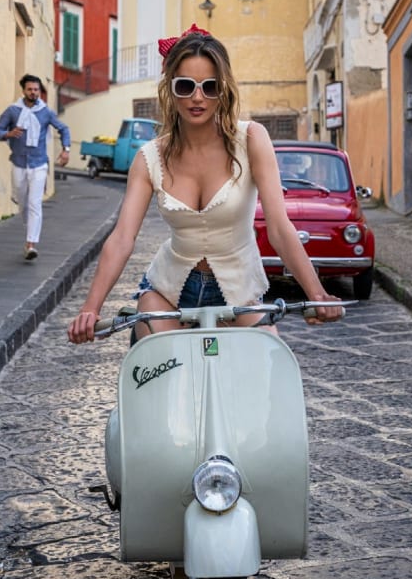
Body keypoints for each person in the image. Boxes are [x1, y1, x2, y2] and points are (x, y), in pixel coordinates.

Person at [68, 27, 344, 343]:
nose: (197, 97)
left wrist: (317, 293)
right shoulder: (149, 158)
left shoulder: (251, 140)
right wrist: (91, 308)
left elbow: (280, 228)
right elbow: (122, 237)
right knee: (157, 369)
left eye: (209, 87)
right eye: (185, 86)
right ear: (170, 89)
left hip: (238, 292)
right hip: (169, 291)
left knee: (264, 367)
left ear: (222, 90)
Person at [0, 74, 71, 261]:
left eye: (36, 90)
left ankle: (31, 244)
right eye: (30, 89)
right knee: (23, 202)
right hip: (18, 162)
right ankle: (30, 233)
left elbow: (63, 129)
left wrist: (66, 149)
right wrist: (9, 133)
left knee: (35, 203)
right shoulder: (12, 111)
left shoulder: (46, 112)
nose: (34, 93)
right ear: (23, 90)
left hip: (39, 163)